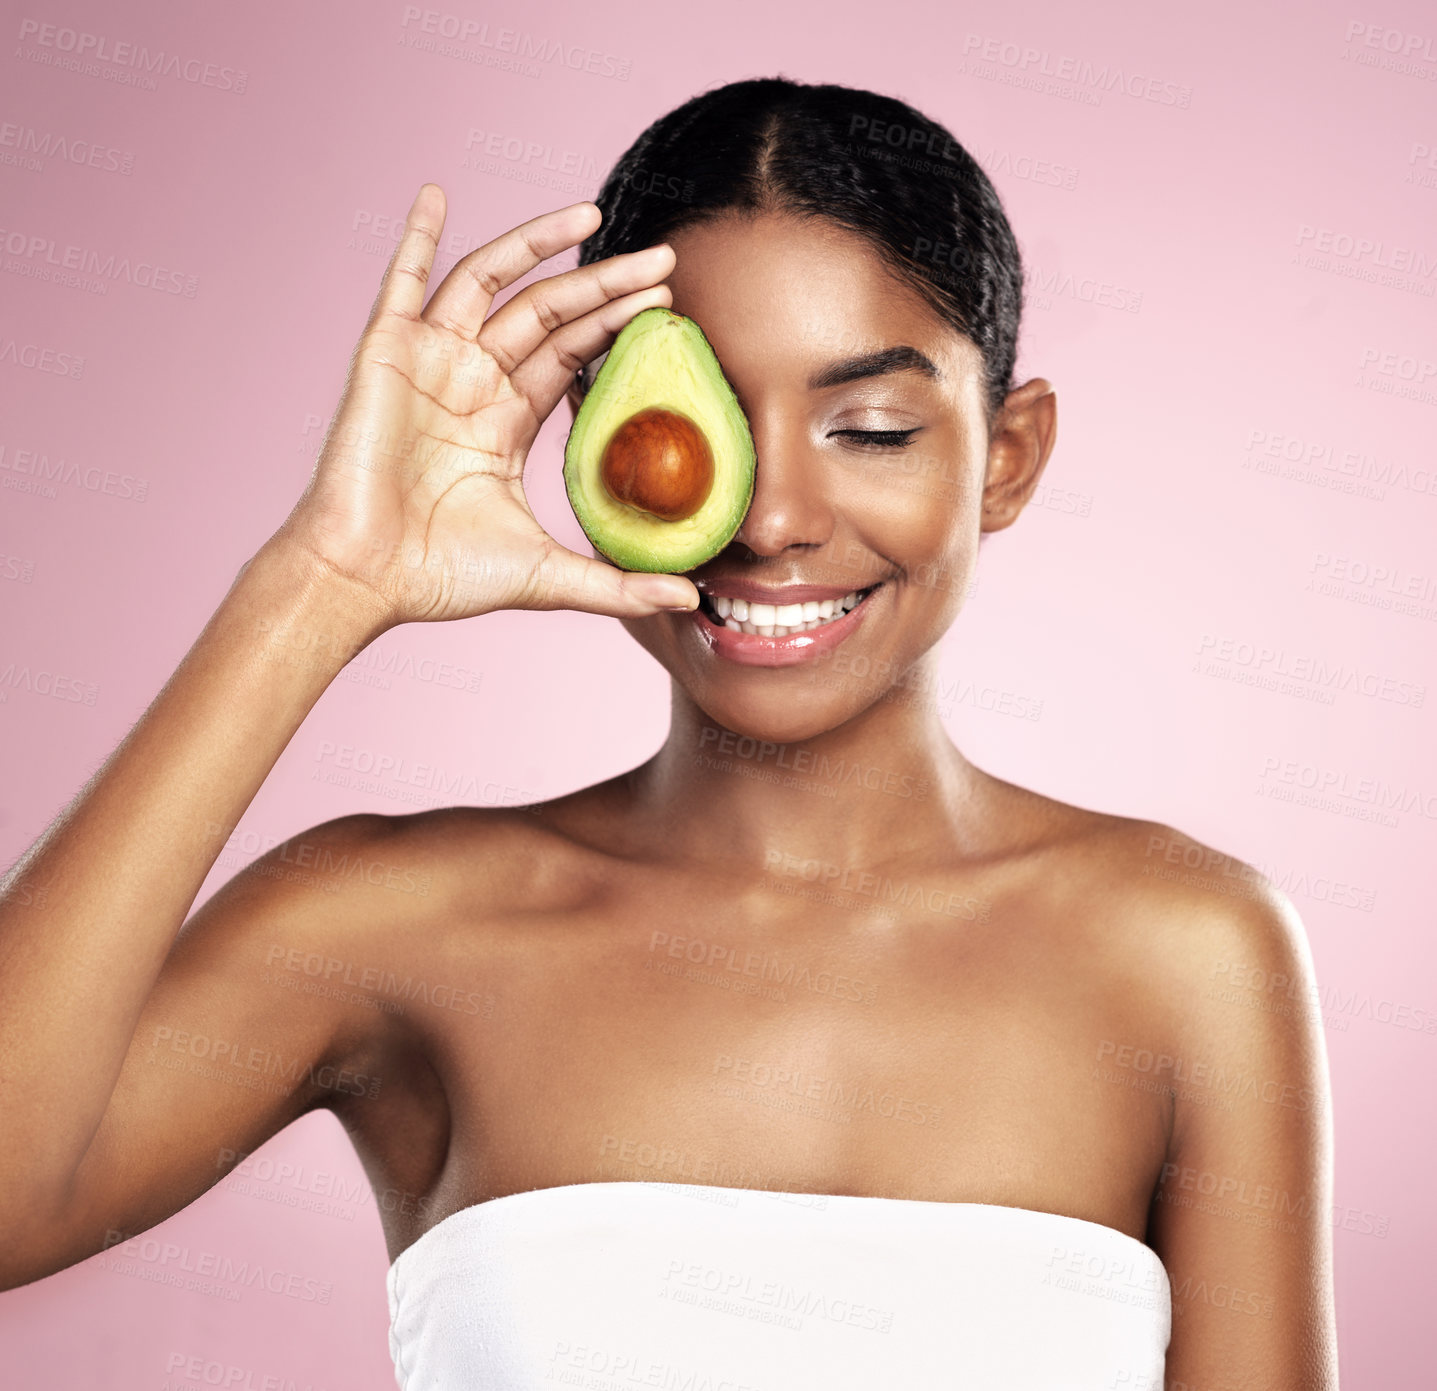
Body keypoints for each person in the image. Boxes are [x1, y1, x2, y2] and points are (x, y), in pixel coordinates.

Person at [0, 77, 1337, 1388]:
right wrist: (320, 583)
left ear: (1005, 458)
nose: (767, 521)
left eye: (867, 427)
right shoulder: (390, 924)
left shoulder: (1187, 951)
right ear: (572, 439)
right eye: (684, 428)